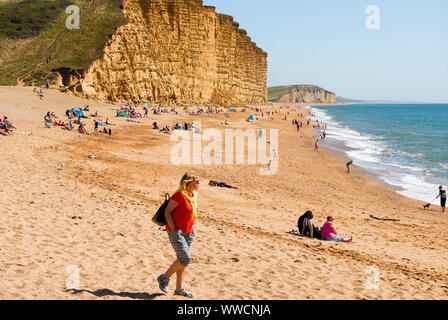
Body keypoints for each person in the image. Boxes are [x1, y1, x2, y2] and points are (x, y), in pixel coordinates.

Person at [157, 172, 200, 298]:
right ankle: (164, 277)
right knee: (186, 258)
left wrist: (191, 230)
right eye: (195, 181)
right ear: (188, 182)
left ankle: (179, 289)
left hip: (189, 232)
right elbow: (167, 212)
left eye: (198, 181)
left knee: (182, 260)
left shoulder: (193, 195)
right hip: (177, 232)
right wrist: (175, 230)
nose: (198, 183)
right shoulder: (179, 195)